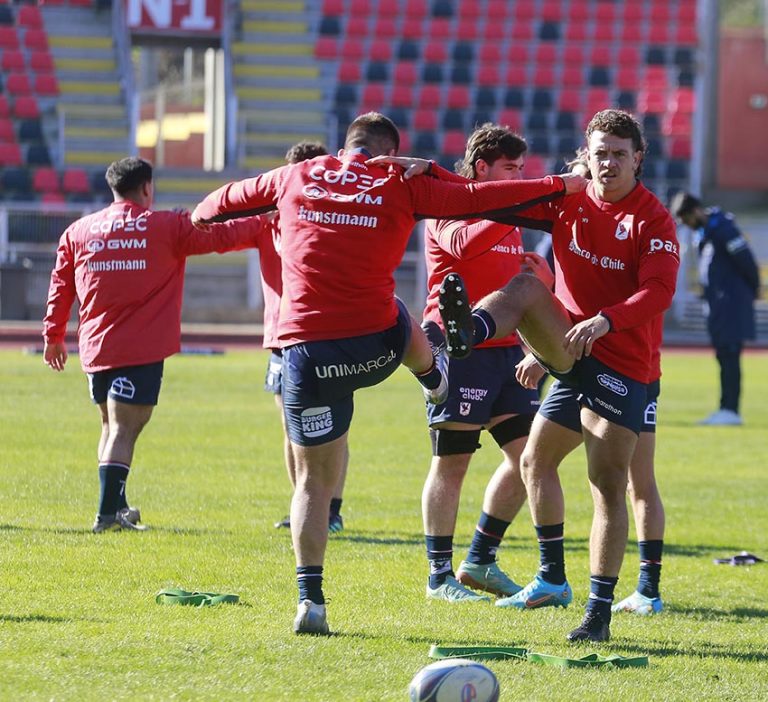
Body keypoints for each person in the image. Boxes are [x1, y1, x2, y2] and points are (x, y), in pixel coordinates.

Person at [191, 112, 586, 635]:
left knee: (314, 481)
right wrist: (561, 184)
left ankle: (313, 598)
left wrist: (201, 214)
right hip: (382, 346)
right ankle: (432, 378)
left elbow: (220, 202)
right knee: (400, 321)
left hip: (308, 349)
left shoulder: (293, 177)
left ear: (344, 145)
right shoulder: (400, 183)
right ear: (388, 152)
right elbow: (473, 201)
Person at [436, 109, 680, 641]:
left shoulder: (652, 220)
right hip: (570, 354)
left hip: (622, 363)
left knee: (609, 485)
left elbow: (660, 293)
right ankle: (469, 334)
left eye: (619, 153)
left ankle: (598, 612)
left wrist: (605, 320)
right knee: (533, 459)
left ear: (637, 158)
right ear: (586, 156)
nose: (608, 163)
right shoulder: (567, 201)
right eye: (600, 153)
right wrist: (428, 174)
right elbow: (491, 197)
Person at [43, 157, 265, 533]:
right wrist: (267, 221)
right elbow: (221, 236)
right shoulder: (167, 226)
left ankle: (119, 505)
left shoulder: (78, 231)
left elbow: (61, 283)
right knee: (124, 429)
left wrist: (53, 334)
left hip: (97, 348)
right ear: (147, 188)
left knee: (110, 425)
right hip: (141, 349)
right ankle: (107, 516)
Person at [415, 124, 554, 604]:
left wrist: (540, 278)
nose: (519, 177)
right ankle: (439, 577)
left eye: (522, 170)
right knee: (452, 461)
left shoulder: (510, 218)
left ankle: (479, 559)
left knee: (530, 458)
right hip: (456, 348)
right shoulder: (446, 205)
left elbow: (511, 279)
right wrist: (511, 203)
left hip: (506, 353)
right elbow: (464, 247)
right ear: (481, 170)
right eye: (510, 170)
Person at [264, 141, 347, 534]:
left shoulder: (338, 218)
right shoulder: (273, 218)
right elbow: (227, 231)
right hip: (283, 338)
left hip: (329, 332)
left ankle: (331, 510)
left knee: (337, 428)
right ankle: (305, 502)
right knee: (290, 426)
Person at [670, 192, 760, 426]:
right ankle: (725, 408)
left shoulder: (723, 229)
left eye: (687, 219)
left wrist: (751, 292)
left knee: (730, 356)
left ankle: (731, 410)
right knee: (723, 357)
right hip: (719, 307)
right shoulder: (707, 233)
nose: (687, 225)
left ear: (696, 211)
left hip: (731, 306)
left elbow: (747, 262)